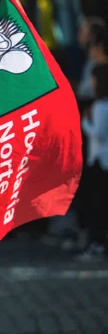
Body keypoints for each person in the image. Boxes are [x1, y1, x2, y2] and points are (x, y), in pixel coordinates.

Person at [77, 64, 108, 261]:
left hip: (100, 162)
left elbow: (98, 134)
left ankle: (97, 243)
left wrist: (85, 122)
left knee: (98, 205)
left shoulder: (99, 107)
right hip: (100, 162)